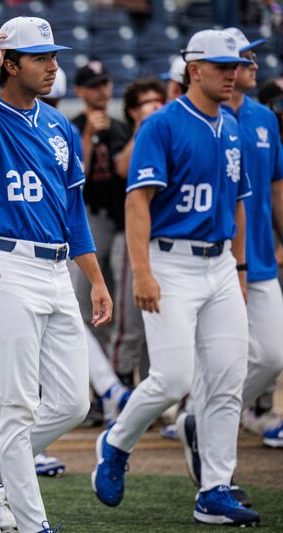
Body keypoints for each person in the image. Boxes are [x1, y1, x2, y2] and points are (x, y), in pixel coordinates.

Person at [92, 29, 260, 527]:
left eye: (236, 65)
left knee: (228, 377)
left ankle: (214, 489)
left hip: (220, 264)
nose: (232, 73)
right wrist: (142, 271)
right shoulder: (161, 125)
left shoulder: (230, 124)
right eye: (221, 65)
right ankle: (117, 442)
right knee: (172, 379)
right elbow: (137, 201)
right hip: (171, 260)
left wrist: (242, 267)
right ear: (194, 69)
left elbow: (239, 202)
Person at [0, 19, 112, 533]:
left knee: (71, 402)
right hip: (7, 262)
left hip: (56, 266)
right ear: (12, 63)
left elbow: (73, 210)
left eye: (53, 55)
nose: (53, 65)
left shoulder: (59, 123)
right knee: (16, 405)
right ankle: (33, 522)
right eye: (40, 57)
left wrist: (97, 278)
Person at [175, 28, 283, 498]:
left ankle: (203, 418)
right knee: (221, 361)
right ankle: (214, 463)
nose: (251, 66)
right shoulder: (195, 117)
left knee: (273, 353)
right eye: (241, 59)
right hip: (214, 260)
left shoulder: (263, 118)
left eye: (252, 58)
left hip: (258, 255)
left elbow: (276, 186)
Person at [72, 60, 136, 384]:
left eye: (105, 83)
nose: (102, 90)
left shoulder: (122, 127)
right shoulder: (73, 124)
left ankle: (115, 380)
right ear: (80, 91)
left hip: (120, 220)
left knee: (118, 304)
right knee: (85, 305)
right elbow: (73, 176)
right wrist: (87, 134)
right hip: (88, 218)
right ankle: (98, 390)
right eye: (94, 84)